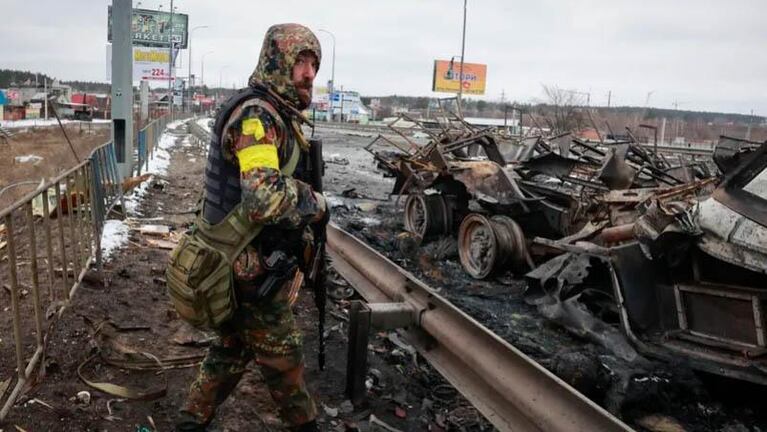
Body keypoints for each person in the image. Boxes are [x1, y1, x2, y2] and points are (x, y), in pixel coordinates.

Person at [175, 23, 326, 432]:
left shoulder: (275, 112)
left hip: (239, 259)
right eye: (300, 62)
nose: (309, 73)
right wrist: (316, 202)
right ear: (277, 61)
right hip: (245, 267)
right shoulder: (257, 116)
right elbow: (263, 199)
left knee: (232, 350)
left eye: (314, 63)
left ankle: (190, 420)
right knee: (284, 360)